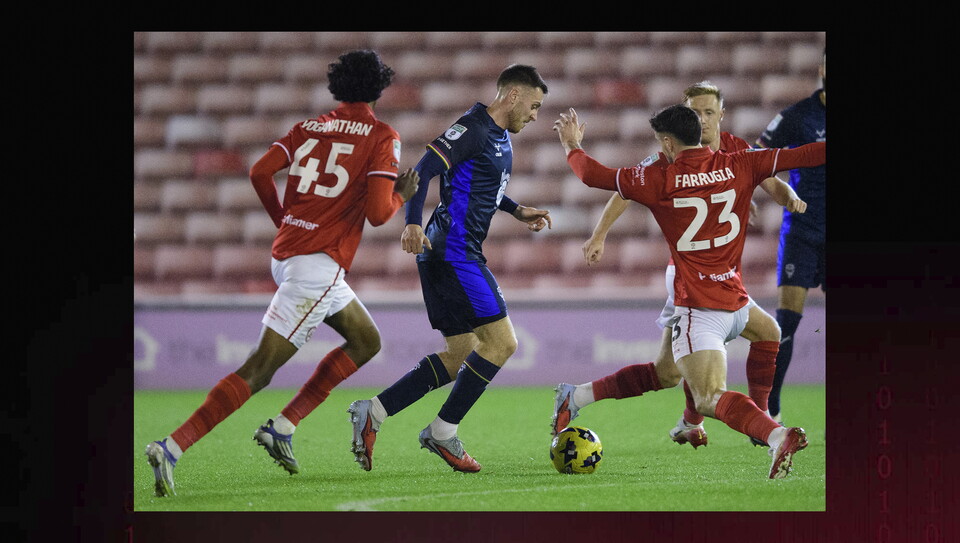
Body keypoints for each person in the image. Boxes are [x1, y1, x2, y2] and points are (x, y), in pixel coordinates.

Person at [144, 50, 420, 496]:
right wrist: (402, 196)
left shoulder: (308, 128)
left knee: (367, 340)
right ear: (379, 87)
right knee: (259, 370)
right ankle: (172, 446)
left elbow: (259, 172)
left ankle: (284, 426)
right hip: (318, 264)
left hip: (290, 253)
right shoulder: (382, 135)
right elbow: (376, 214)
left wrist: (284, 220)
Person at [554, 104, 825, 478]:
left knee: (731, 354)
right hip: (715, 302)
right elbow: (805, 154)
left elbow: (591, 175)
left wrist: (572, 146)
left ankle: (577, 395)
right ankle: (775, 433)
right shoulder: (743, 163)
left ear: (667, 142)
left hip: (704, 304)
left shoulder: (659, 178)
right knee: (705, 391)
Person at [346, 64, 552, 473]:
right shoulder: (472, 128)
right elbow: (422, 172)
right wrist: (411, 221)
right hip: (454, 252)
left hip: (446, 252)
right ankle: (442, 432)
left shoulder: (498, 138)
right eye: (533, 105)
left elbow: (481, 185)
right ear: (512, 95)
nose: (534, 114)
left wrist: (515, 209)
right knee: (502, 343)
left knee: (461, 354)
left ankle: (374, 410)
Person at [756, 49, 826, 423]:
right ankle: (771, 408)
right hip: (802, 231)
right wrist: (756, 193)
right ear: (821, 70)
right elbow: (755, 157)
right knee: (787, 322)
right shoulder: (797, 116)